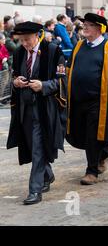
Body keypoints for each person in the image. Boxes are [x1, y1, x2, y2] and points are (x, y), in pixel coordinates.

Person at [66, 13, 108, 184]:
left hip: (98, 101)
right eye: (84, 25)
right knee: (81, 132)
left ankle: (91, 171)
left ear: (99, 29)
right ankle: (103, 153)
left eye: (89, 25)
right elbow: (68, 69)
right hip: (77, 100)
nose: (84, 28)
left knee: (93, 135)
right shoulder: (79, 46)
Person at [7, 21, 66, 205]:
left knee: (39, 148)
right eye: (21, 40)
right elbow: (14, 75)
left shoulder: (53, 50)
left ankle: (35, 190)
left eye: (27, 40)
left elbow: (63, 81)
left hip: (45, 109)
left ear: (38, 35)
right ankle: (47, 175)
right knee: (32, 147)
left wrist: (44, 85)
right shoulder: (18, 53)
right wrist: (16, 82)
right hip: (24, 109)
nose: (24, 44)